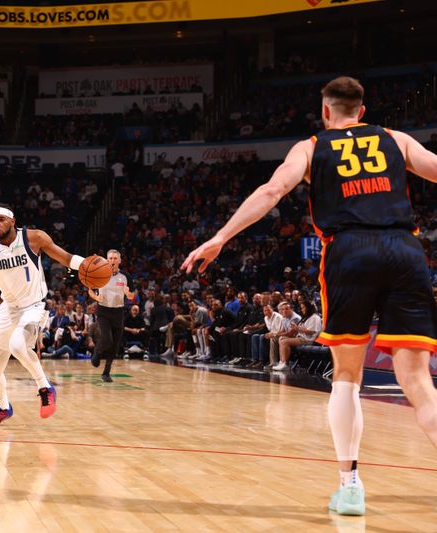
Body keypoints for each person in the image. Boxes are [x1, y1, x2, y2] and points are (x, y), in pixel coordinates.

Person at [182, 76, 437, 516]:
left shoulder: (311, 146)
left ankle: (350, 486)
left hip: (350, 252)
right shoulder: (396, 139)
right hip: (405, 250)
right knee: (418, 383)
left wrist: (220, 237)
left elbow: (271, 192)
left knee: (346, 377)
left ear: (325, 111)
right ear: (362, 110)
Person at [0, 205, 86, 426]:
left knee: (18, 346)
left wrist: (85, 264)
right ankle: (3, 408)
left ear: (13, 221)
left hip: (33, 305)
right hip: (9, 309)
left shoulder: (34, 238)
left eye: (1, 219)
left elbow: (67, 258)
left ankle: (45, 387)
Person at [86, 250, 135, 382]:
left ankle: (106, 373)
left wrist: (128, 294)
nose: (112, 261)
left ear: (119, 261)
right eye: (110, 258)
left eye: (115, 258)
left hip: (118, 312)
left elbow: (132, 296)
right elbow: (90, 289)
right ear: (107, 260)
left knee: (115, 345)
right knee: (107, 339)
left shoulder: (125, 276)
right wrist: (96, 297)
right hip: (103, 311)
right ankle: (97, 352)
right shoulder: (100, 274)